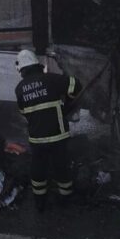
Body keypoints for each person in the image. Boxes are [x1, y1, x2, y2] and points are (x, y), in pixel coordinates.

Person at [14, 49, 82, 211]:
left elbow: (24, 112)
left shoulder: (19, 89)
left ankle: (40, 202)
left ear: (22, 69)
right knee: (61, 166)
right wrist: (67, 104)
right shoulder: (51, 80)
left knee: (38, 167)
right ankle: (65, 199)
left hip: (37, 138)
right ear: (37, 65)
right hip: (58, 135)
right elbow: (76, 85)